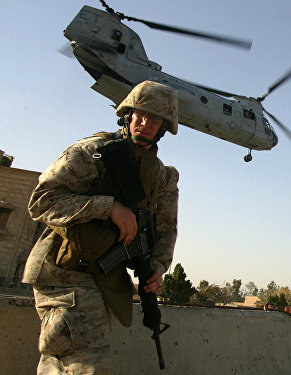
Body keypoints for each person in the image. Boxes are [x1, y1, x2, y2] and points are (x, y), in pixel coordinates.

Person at [22, 80, 180, 374]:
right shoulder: (94, 153)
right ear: (128, 115)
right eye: (139, 114)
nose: (144, 123)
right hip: (63, 272)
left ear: (164, 126)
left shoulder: (162, 176)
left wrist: (157, 268)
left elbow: (165, 229)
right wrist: (107, 207)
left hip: (101, 278)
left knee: (63, 364)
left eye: (154, 118)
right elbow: (41, 201)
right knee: (89, 363)